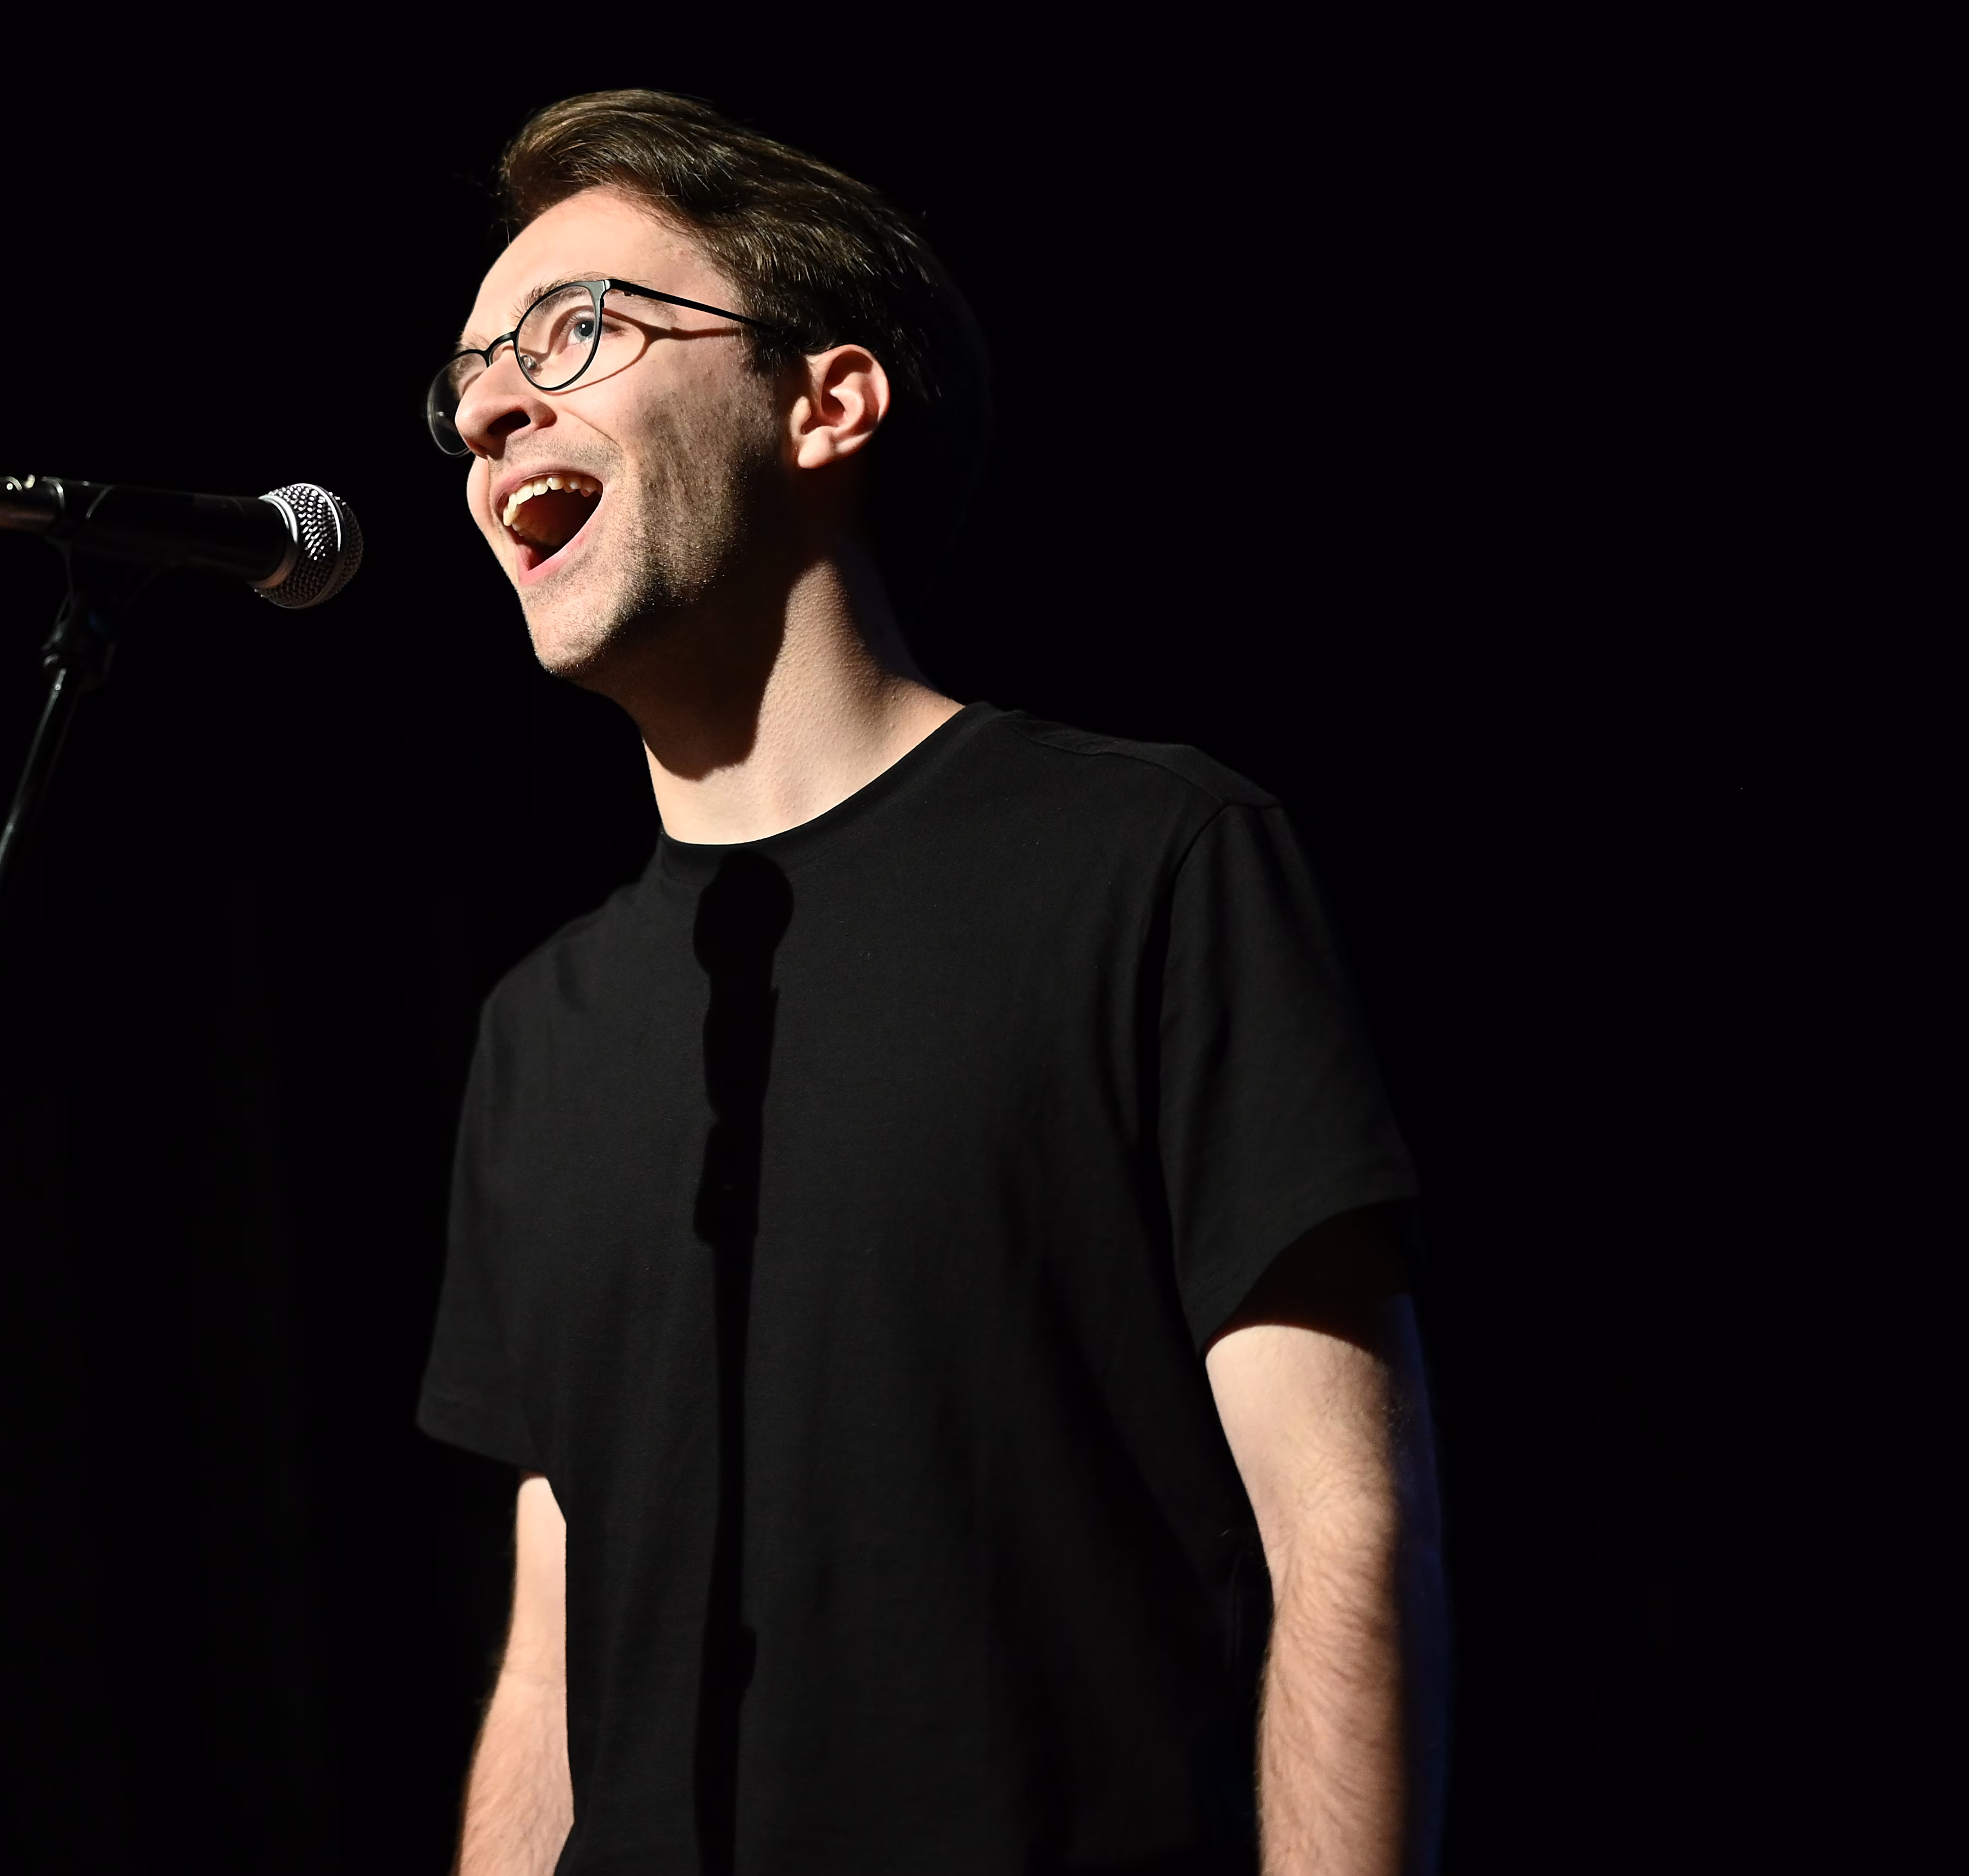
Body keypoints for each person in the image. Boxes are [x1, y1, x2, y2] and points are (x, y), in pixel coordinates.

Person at [414, 92, 1445, 1875]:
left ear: (827, 401)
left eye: (574, 331)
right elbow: (552, 1669)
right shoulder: (538, 1037)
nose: (496, 409)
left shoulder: (1151, 866)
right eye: (468, 383)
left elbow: (1343, 1533)